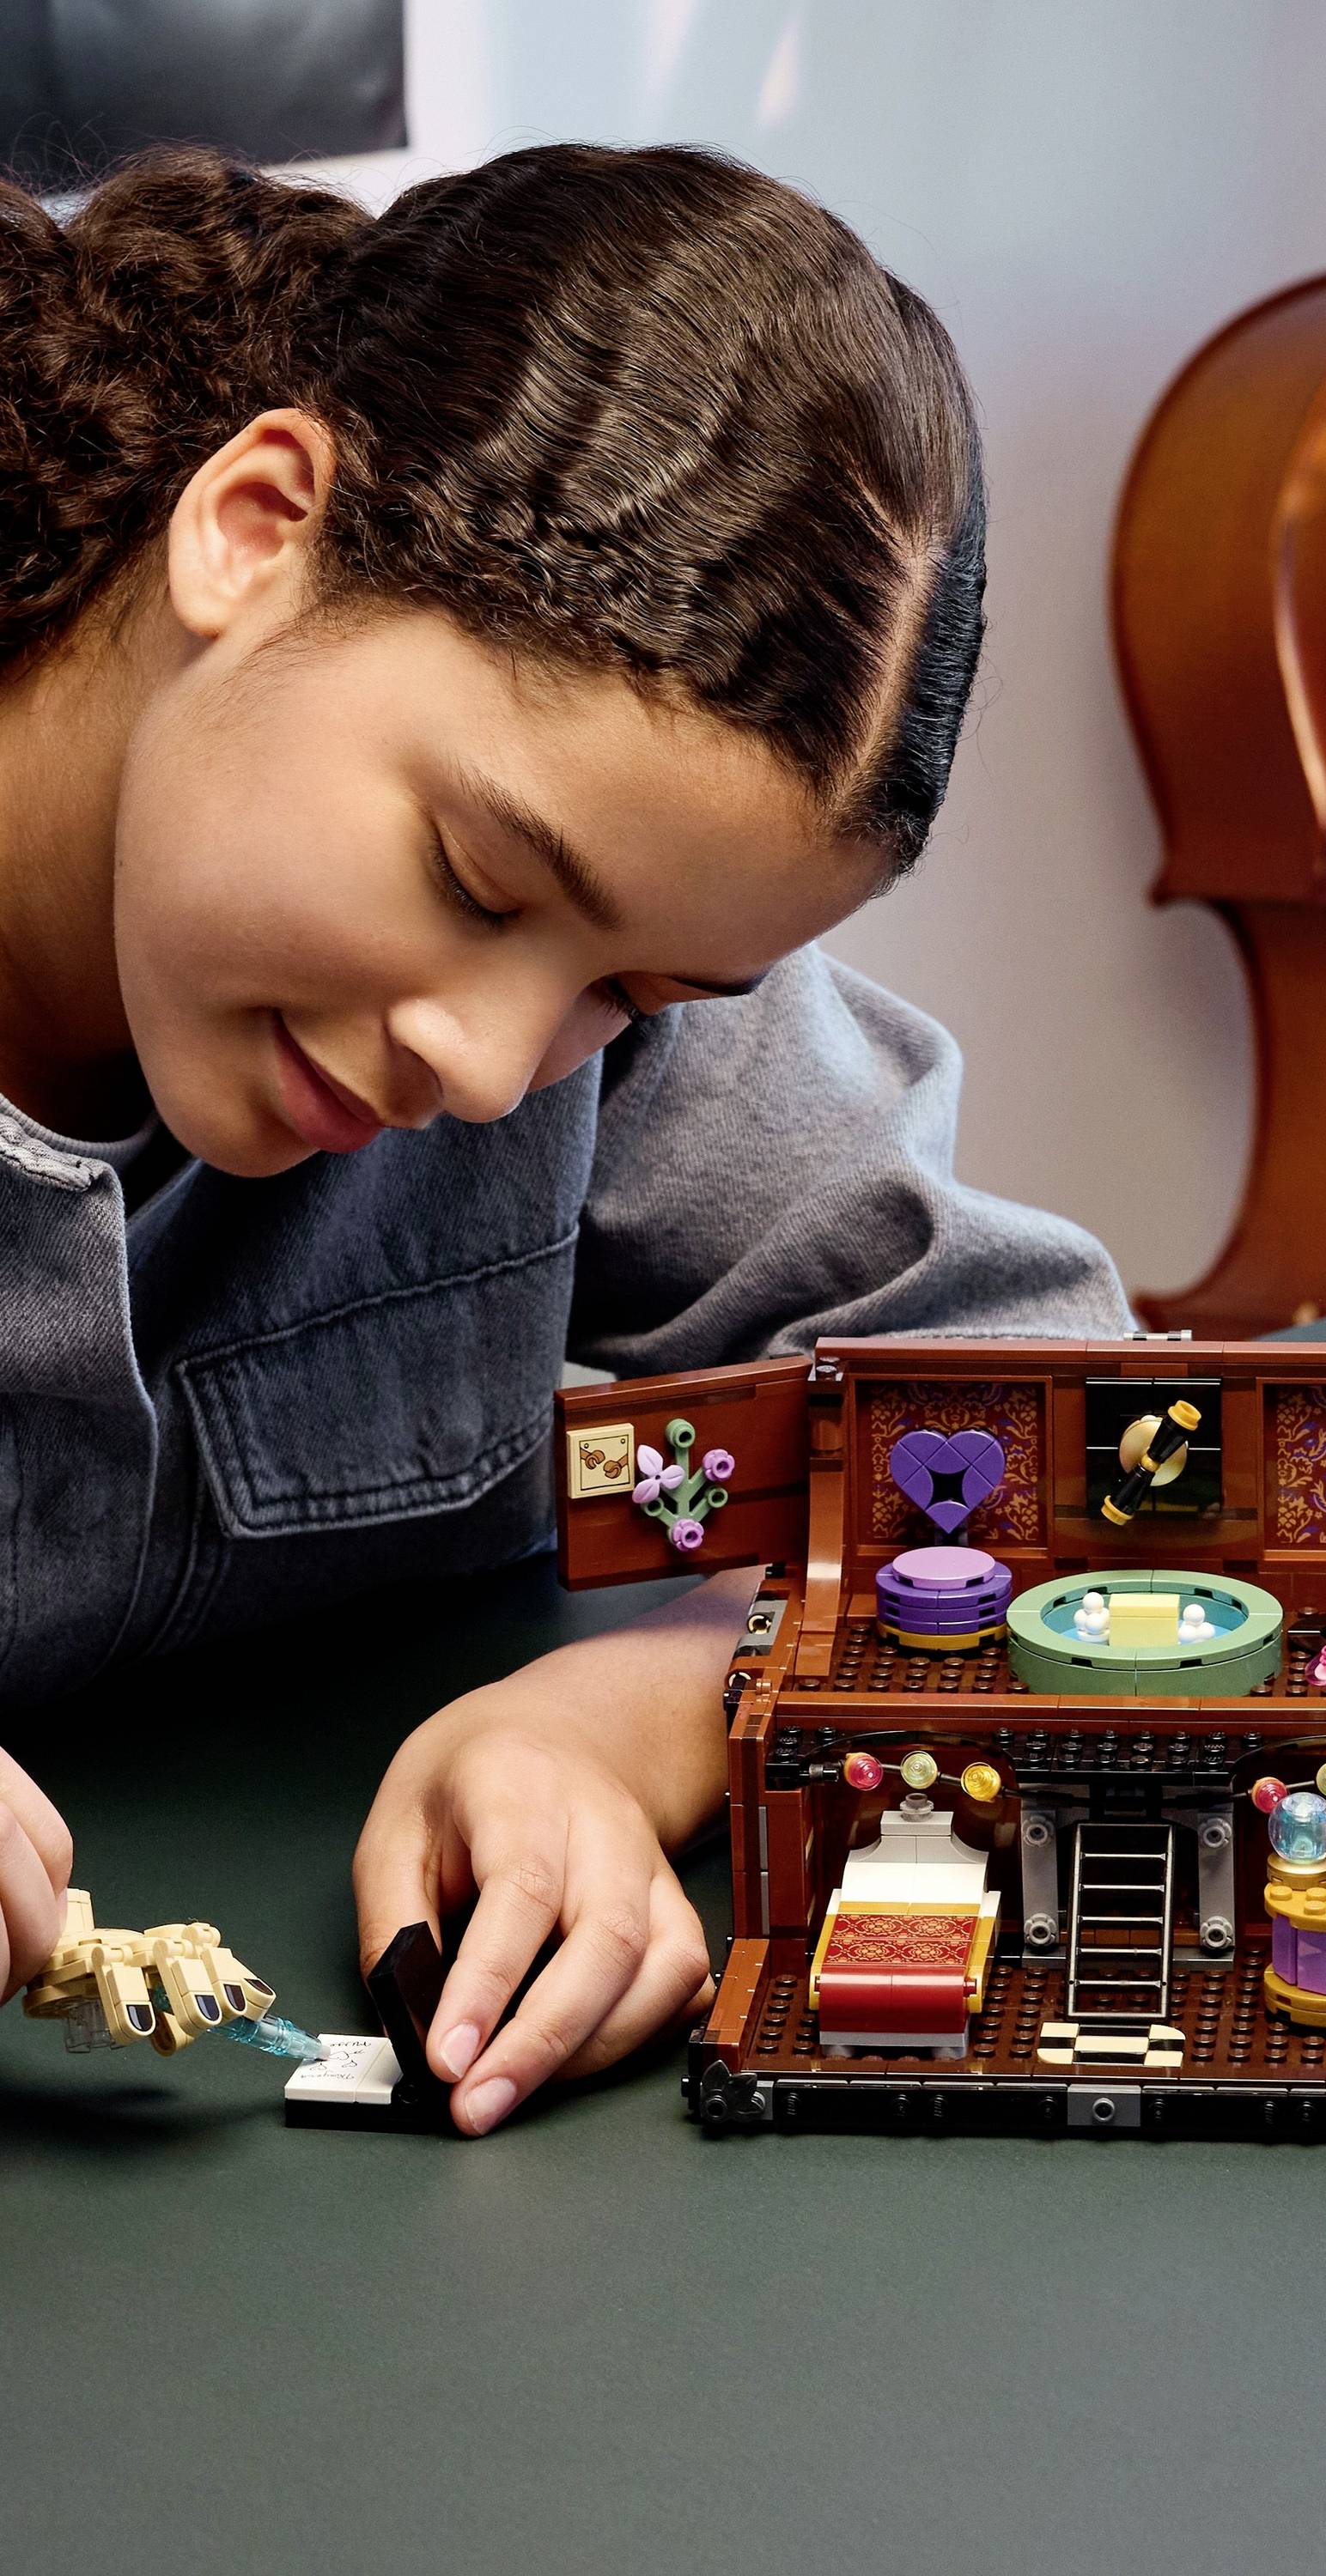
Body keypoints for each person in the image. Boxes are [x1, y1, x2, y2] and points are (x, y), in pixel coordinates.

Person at [0, 144, 1131, 2129]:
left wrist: (643, 1717)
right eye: (475, 877)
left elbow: (1059, 1426)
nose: (492, 1064)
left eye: (638, 990)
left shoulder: (596, 954)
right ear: (258, 531)